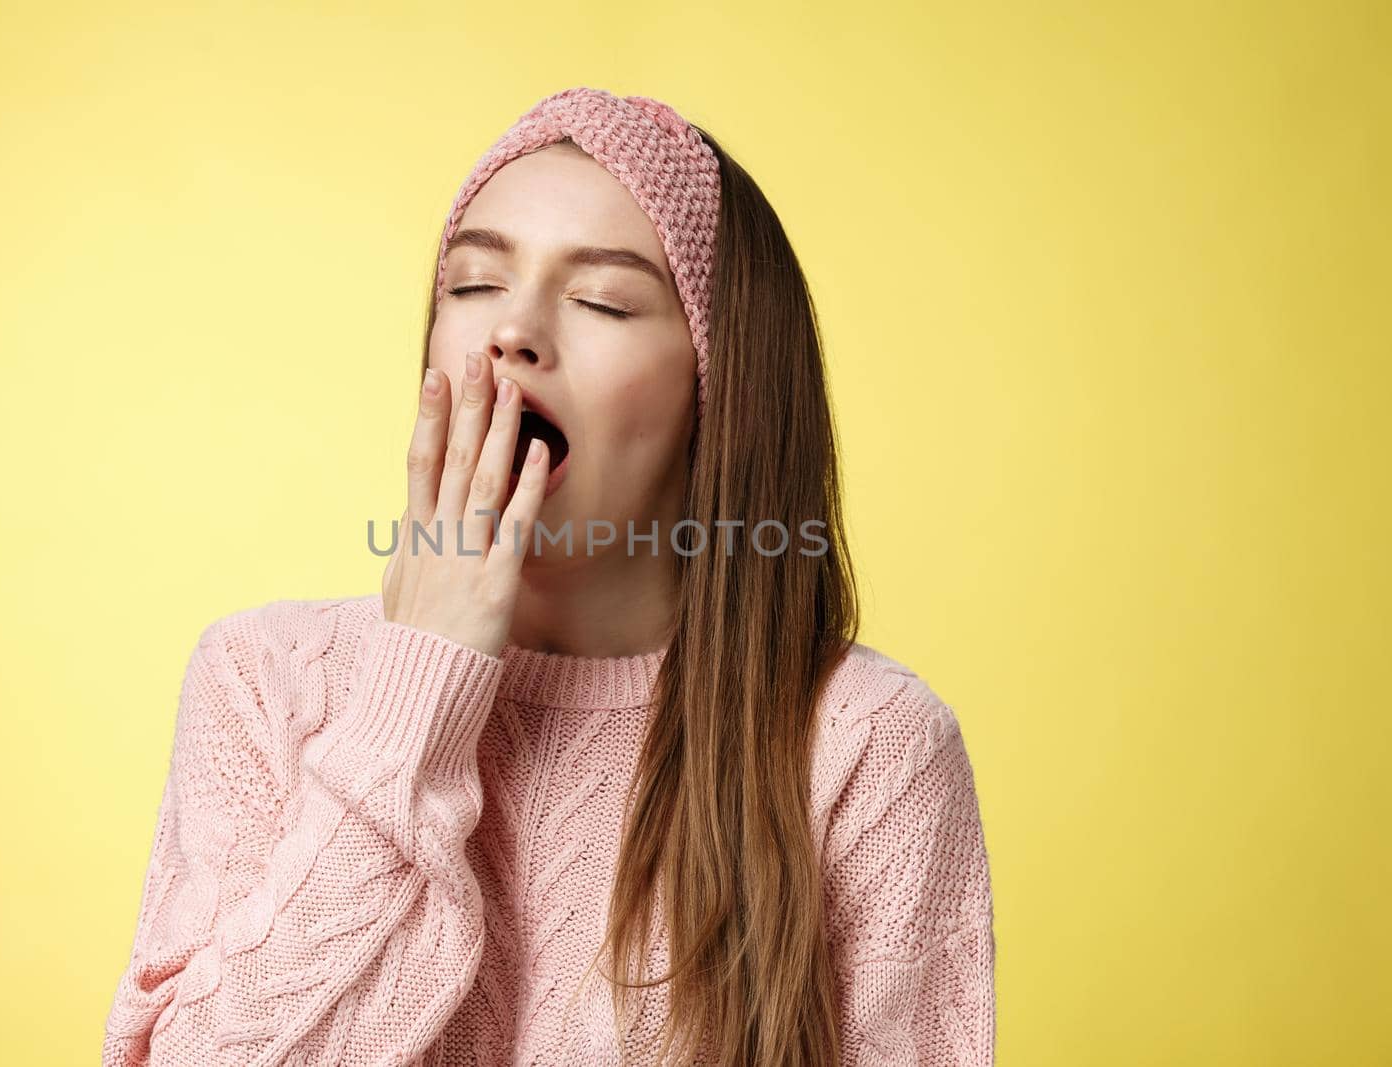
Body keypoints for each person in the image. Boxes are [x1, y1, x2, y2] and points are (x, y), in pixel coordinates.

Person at [101, 87, 995, 1067]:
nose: (512, 331)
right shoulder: (264, 678)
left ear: (718, 384)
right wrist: (416, 688)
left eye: (602, 299)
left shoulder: (869, 745)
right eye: (474, 283)